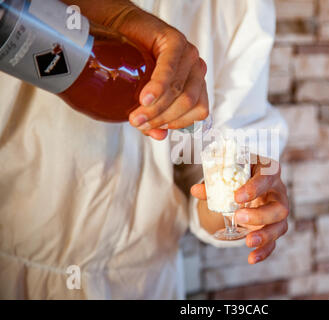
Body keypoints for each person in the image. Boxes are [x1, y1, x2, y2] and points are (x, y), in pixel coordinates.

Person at [0, 0, 289, 299]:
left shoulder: (240, 8)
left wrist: (246, 204)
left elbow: (207, 169)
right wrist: (118, 16)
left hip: (147, 286)